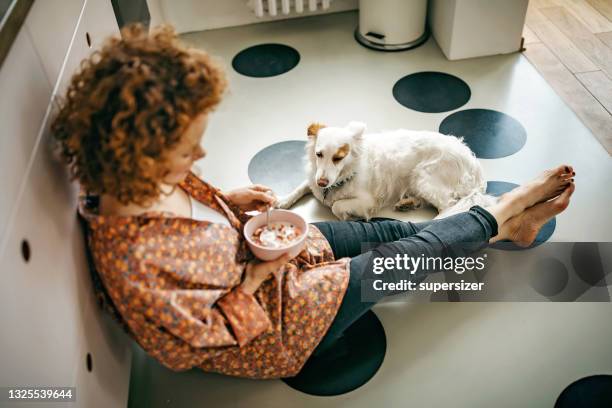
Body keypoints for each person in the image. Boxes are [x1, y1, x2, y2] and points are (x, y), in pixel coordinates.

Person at [52, 24, 575, 379]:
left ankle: (509, 230)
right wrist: (256, 279)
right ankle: (501, 212)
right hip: (284, 323)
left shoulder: (137, 180)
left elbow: (190, 215)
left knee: (390, 233)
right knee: (408, 258)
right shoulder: (134, 262)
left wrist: (228, 203)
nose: (201, 153)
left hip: (276, 262)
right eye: (188, 148)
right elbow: (191, 345)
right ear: (141, 153)